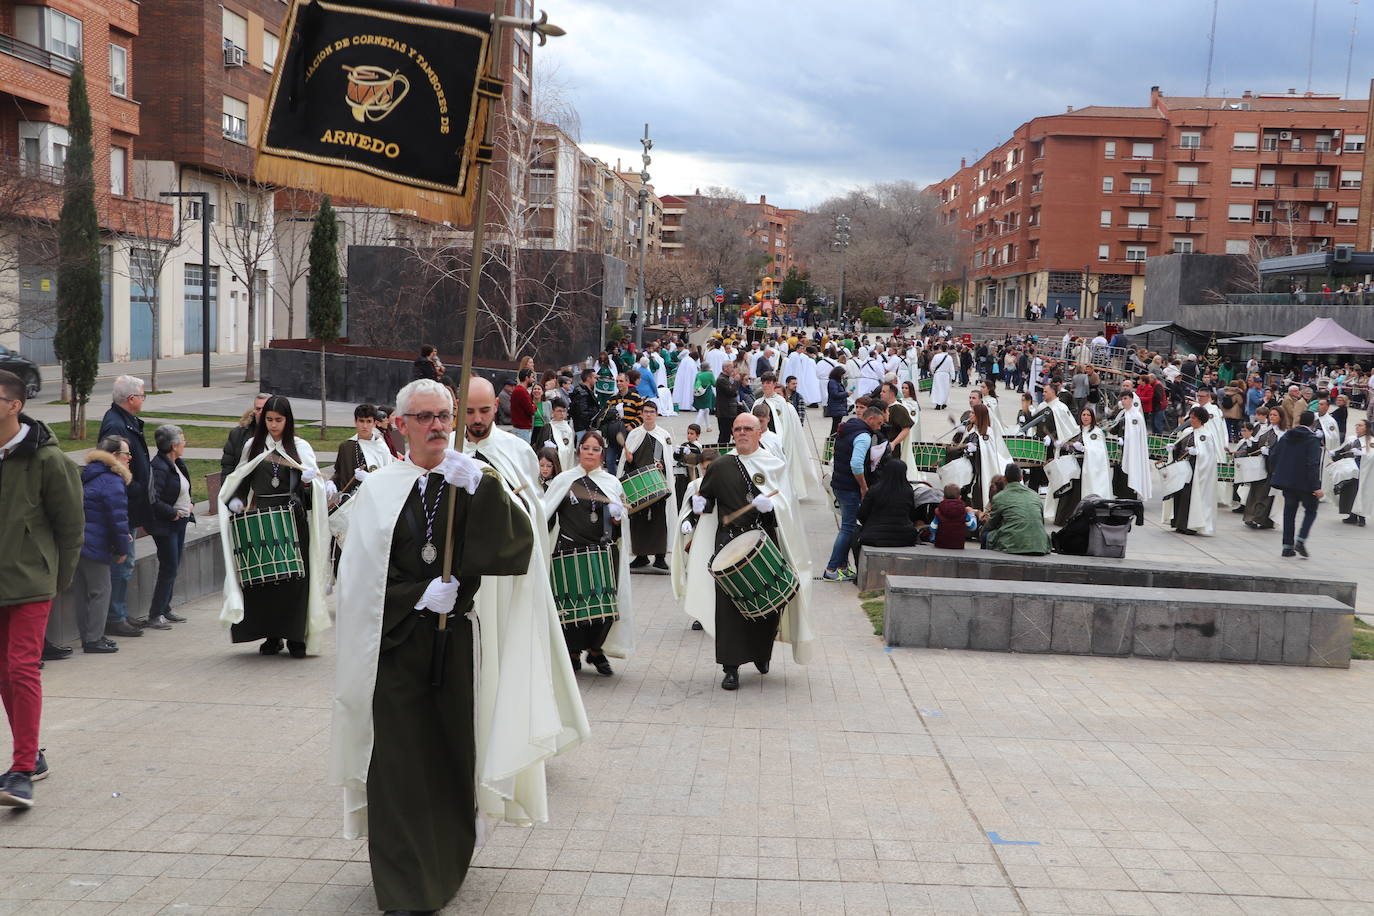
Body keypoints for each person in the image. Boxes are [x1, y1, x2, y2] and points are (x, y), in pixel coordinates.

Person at [331, 377, 587, 915]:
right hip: (395, 648)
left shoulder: (470, 480)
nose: (437, 427)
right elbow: (356, 584)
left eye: (444, 417)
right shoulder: (380, 490)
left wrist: (483, 488)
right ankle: (403, 885)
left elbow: (517, 548)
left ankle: (444, 864)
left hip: (454, 647)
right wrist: (415, 594)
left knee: (449, 757)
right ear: (399, 425)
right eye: (424, 418)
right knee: (398, 764)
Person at [681, 413, 813, 690]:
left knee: (769, 605)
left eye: (748, 429)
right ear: (732, 432)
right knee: (729, 608)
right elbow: (705, 500)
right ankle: (730, 668)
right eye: (738, 428)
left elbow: (789, 511)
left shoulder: (774, 465)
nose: (742, 433)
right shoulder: (721, 465)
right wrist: (696, 507)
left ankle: (761, 654)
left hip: (764, 543)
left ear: (758, 433)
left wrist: (774, 508)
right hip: (728, 543)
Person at [0, 369, 83, 807]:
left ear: (15, 405)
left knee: (21, 669)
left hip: (32, 582)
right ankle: (30, 755)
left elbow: (72, 528)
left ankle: (20, 771)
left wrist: (57, 580)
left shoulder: (49, 461)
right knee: (3, 674)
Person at [218, 395, 333, 658]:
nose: (273, 425)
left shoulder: (300, 447)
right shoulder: (252, 446)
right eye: (268, 419)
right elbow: (240, 482)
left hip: (292, 521)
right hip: (262, 520)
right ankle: (272, 636)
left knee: (295, 581)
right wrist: (235, 503)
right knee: (267, 581)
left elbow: (313, 492)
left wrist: (308, 483)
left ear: (288, 420)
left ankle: (296, 637)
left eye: (278, 420)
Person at [544, 430, 634, 675]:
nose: (590, 453)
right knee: (571, 606)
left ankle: (596, 650)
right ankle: (572, 652)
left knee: (604, 605)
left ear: (602, 454)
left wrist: (618, 517)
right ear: (579, 451)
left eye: (595, 449)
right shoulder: (564, 480)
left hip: (602, 551)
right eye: (586, 448)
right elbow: (546, 514)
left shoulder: (611, 482)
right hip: (568, 548)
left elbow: (620, 522)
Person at [98, 376, 150, 638]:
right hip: (122, 504)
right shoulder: (115, 425)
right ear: (131, 399)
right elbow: (114, 466)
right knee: (122, 562)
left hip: (128, 503)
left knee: (125, 562)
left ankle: (119, 611)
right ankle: (115, 617)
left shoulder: (124, 421)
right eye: (142, 395)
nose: (143, 399)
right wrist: (137, 488)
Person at [70, 436, 133, 653]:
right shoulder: (113, 480)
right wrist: (122, 547)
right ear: (114, 456)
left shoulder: (88, 475)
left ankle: (90, 636)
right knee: (101, 591)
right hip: (96, 544)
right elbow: (117, 518)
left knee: (81, 592)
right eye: (126, 454)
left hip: (78, 542)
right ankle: (93, 639)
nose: (129, 458)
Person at [824, 405, 885, 581]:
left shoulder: (849, 427)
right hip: (850, 487)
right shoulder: (864, 436)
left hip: (839, 483)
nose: (879, 427)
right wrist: (864, 487)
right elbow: (856, 464)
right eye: (879, 423)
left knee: (847, 525)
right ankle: (831, 569)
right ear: (871, 419)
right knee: (848, 528)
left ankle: (843, 565)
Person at [145, 425, 195, 629]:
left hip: (179, 522)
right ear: (173, 445)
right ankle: (155, 613)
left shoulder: (176, 463)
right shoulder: (159, 467)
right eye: (183, 440)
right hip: (166, 525)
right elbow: (153, 498)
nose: (185, 443)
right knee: (169, 566)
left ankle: (165, 608)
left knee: (173, 566)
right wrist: (172, 512)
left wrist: (188, 505)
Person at [619, 401, 675, 570]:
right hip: (638, 486)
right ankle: (641, 556)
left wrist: (662, 466)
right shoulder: (634, 434)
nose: (649, 415)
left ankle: (660, 557)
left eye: (652, 412)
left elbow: (670, 460)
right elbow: (625, 464)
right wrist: (629, 461)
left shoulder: (664, 435)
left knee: (659, 520)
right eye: (646, 412)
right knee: (638, 522)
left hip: (658, 484)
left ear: (657, 414)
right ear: (641, 414)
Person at [1270, 410, 1324, 558]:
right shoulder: (1312, 439)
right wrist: (1316, 487)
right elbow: (1313, 464)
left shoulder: (1287, 436)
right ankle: (1300, 540)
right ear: (1313, 423)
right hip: (1305, 484)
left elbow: (1274, 456)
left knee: (1289, 513)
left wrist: (1280, 473)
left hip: (1288, 482)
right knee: (1311, 510)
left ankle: (1287, 547)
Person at [760, 372, 822, 500]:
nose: (765, 385)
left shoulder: (781, 403)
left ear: (774, 384)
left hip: (778, 442)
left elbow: (786, 426)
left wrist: (782, 444)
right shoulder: (758, 402)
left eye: (768, 383)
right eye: (763, 382)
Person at [1165, 406, 1220, 536]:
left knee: (1189, 497)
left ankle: (1190, 525)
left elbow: (1208, 456)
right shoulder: (1188, 432)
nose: (1191, 420)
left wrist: (1198, 454)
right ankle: (1179, 523)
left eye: (1194, 418)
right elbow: (1180, 446)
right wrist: (1173, 448)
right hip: (1183, 470)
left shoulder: (1206, 435)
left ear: (1201, 420)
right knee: (1180, 495)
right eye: (1191, 417)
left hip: (1194, 471)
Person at [982, 464, 1052, 555]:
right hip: (1040, 545)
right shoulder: (1035, 495)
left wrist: (981, 528)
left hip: (1013, 545)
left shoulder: (999, 497)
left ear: (1005, 478)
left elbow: (991, 524)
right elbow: (1041, 522)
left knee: (985, 535)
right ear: (1021, 477)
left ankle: (984, 566)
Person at [333, 404, 395, 504]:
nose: (365, 426)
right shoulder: (346, 446)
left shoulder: (381, 448)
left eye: (369, 421)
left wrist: (369, 478)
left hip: (373, 501)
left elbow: (388, 479)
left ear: (375, 423)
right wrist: (331, 483)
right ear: (355, 422)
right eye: (361, 421)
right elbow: (339, 473)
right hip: (349, 503)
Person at [855, 458, 922, 549]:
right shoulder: (908, 491)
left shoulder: (875, 490)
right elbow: (912, 515)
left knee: (852, 532)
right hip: (905, 537)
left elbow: (862, 514)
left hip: (875, 536)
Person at [220, 393, 267, 481]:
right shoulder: (237, 434)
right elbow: (228, 466)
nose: (261, 412)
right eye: (258, 409)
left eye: (265, 409)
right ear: (254, 411)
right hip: (242, 488)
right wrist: (230, 491)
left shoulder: (279, 435)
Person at [1337, 419, 1373, 525]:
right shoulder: (1355, 439)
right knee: (1352, 493)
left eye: (1360, 425)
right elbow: (1346, 449)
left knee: (1362, 493)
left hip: (1364, 471)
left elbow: (1372, 455)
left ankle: (1362, 517)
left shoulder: (1370, 440)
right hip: (1353, 470)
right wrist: (1336, 453)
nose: (1357, 427)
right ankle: (1352, 515)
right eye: (1357, 425)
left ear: (1366, 428)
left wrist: (1362, 454)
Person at [931, 483, 978, 549]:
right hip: (958, 546)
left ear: (943, 497)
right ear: (960, 497)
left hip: (941, 545)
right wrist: (971, 513)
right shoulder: (963, 511)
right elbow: (972, 527)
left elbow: (932, 528)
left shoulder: (939, 511)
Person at [673, 423, 704, 505]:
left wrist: (690, 454)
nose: (689, 436)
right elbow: (676, 458)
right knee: (679, 494)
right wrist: (676, 452)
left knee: (690, 493)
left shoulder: (698, 447)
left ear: (697, 435)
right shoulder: (684, 444)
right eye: (688, 433)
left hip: (691, 473)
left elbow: (696, 460)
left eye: (692, 434)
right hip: (681, 473)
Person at [542, 401, 576, 472]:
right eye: (559, 411)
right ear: (553, 412)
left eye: (564, 411)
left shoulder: (568, 429)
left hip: (565, 459)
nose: (562, 414)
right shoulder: (548, 427)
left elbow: (570, 449)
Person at [714, 363, 739, 447]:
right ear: (725, 368)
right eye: (731, 367)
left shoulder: (727, 379)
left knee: (730, 433)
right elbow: (731, 392)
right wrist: (736, 381)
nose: (733, 369)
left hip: (729, 411)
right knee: (724, 435)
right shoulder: (721, 380)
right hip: (724, 412)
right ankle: (721, 453)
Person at [929, 344, 956, 409]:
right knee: (945, 389)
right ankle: (944, 402)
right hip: (946, 375)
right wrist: (953, 377)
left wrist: (932, 372)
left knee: (937, 389)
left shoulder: (936, 356)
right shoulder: (949, 357)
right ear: (947, 349)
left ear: (940, 349)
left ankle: (938, 403)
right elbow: (951, 368)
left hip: (938, 374)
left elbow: (932, 366)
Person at [824, 365, 849, 436]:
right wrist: (846, 394)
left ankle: (833, 442)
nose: (843, 376)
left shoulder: (836, 382)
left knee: (836, 426)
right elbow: (835, 394)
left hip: (838, 407)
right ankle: (831, 442)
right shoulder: (833, 382)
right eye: (842, 374)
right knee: (835, 427)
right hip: (836, 407)